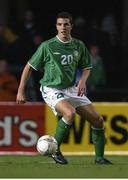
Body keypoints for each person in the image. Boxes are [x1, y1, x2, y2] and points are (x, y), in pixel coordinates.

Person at [16, 12, 112, 165]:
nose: (63, 27)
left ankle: (99, 158)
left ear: (71, 26)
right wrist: (20, 91)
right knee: (69, 113)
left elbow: (87, 67)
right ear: (56, 26)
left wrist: (82, 81)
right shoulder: (47, 46)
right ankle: (55, 151)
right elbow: (28, 67)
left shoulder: (78, 45)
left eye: (66, 24)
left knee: (98, 120)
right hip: (51, 88)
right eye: (60, 24)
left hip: (71, 88)